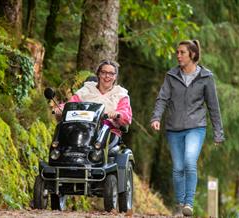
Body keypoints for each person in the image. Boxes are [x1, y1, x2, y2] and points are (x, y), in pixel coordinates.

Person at [150, 40, 225, 216]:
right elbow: (162, 99)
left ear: (192, 54)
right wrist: (156, 117)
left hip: (196, 127)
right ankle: (179, 204)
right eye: (177, 52)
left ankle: (188, 204)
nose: (178, 55)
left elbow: (213, 106)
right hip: (173, 128)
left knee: (189, 162)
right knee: (177, 167)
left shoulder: (206, 77)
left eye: (182, 52)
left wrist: (218, 133)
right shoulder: (171, 75)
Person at [53, 59, 132, 140]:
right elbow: (72, 103)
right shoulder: (86, 90)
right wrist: (61, 108)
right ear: (98, 74)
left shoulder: (120, 94)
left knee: (111, 151)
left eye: (111, 73)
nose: (107, 76)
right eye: (104, 72)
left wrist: (117, 114)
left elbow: (126, 115)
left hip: (109, 132)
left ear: (115, 76)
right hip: (82, 129)